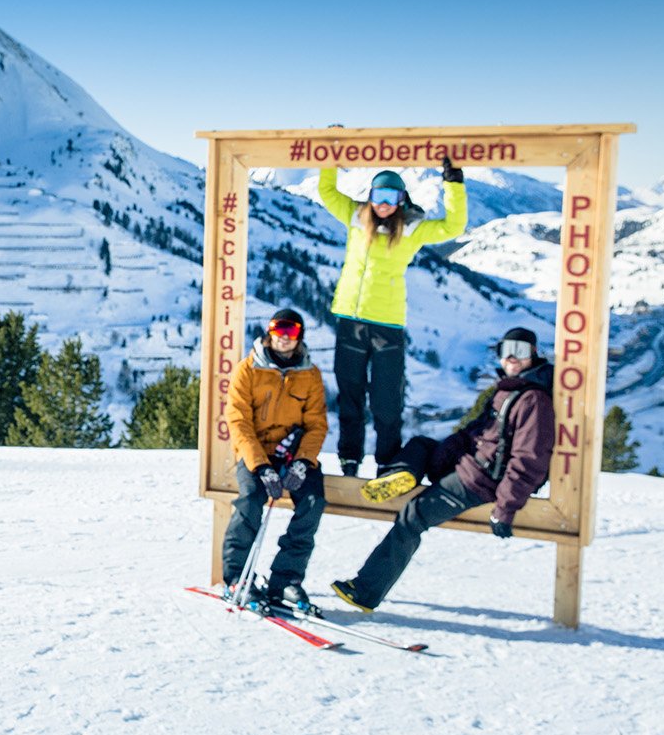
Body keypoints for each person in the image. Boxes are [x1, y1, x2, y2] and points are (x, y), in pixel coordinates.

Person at [331, 327, 554, 613]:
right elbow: (477, 433)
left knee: (413, 516)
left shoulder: (533, 400)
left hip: (480, 482)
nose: (511, 356)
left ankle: (365, 592)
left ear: (534, 355)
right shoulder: (510, 391)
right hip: (468, 464)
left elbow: (528, 460)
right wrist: (446, 451)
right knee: (421, 445)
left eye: (520, 350)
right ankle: (398, 477)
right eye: (505, 349)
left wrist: (505, 508)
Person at [318, 157, 468, 478]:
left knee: (387, 400)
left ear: (402, 200)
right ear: (369, 197)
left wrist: (453, 184)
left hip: (388, 324)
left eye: (391, 198)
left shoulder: (412, 230)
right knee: (351, 396)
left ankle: (387, 461)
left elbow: (454, 226)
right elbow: (327, 190)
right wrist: (330, 157)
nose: (383, 205)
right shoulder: (356, 217)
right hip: (349, 320)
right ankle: (349, 458)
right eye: (378, 197)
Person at [222, 308, 329, 612]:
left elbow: (316, 424)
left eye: (291, 332)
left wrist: (303, 461)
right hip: (256, 453)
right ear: (269, 333)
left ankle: (285, 580)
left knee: (312, 503)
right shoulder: (249, 369)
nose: (284, 337)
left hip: (293, 454)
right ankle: (235, 577)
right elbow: (238, 421)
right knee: (251, 500)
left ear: (300, 336)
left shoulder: (309, 375)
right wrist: (260, 465)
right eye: (278, 330)